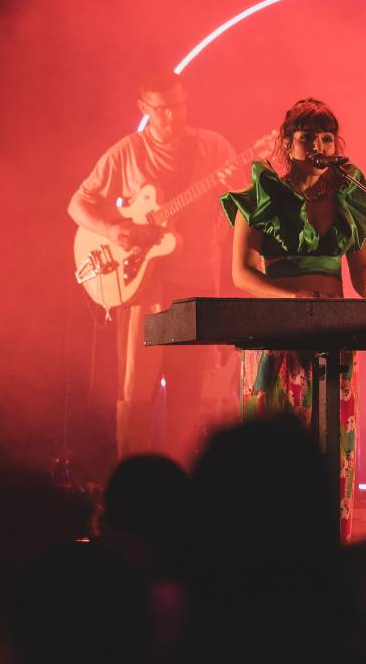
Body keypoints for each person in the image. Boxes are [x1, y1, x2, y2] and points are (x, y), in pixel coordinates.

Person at [219, 97, 366, 536]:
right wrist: (294, 295)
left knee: (331, 443)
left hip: (334, 333)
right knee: (276, 449)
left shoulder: (349, 196)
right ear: (287, 141)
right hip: (278, 334)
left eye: (326, 137)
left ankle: (331, 543)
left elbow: (361, 266)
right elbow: (241, 274)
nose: (318, 145)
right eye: (307, 137)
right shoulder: (263, 193)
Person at [68, 72, 240, 461]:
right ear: (144, 109)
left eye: (176, 107)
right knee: (136, 392)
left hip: (195, 285)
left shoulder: (213, 148)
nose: (170, 117)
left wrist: (235, 186)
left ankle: (179, 482)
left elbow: (243, 206)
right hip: (141, 287)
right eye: (160, 110)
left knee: (189, 391)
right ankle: (132, 487)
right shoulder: (126, 153)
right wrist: (115, 229)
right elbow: (78, 204)